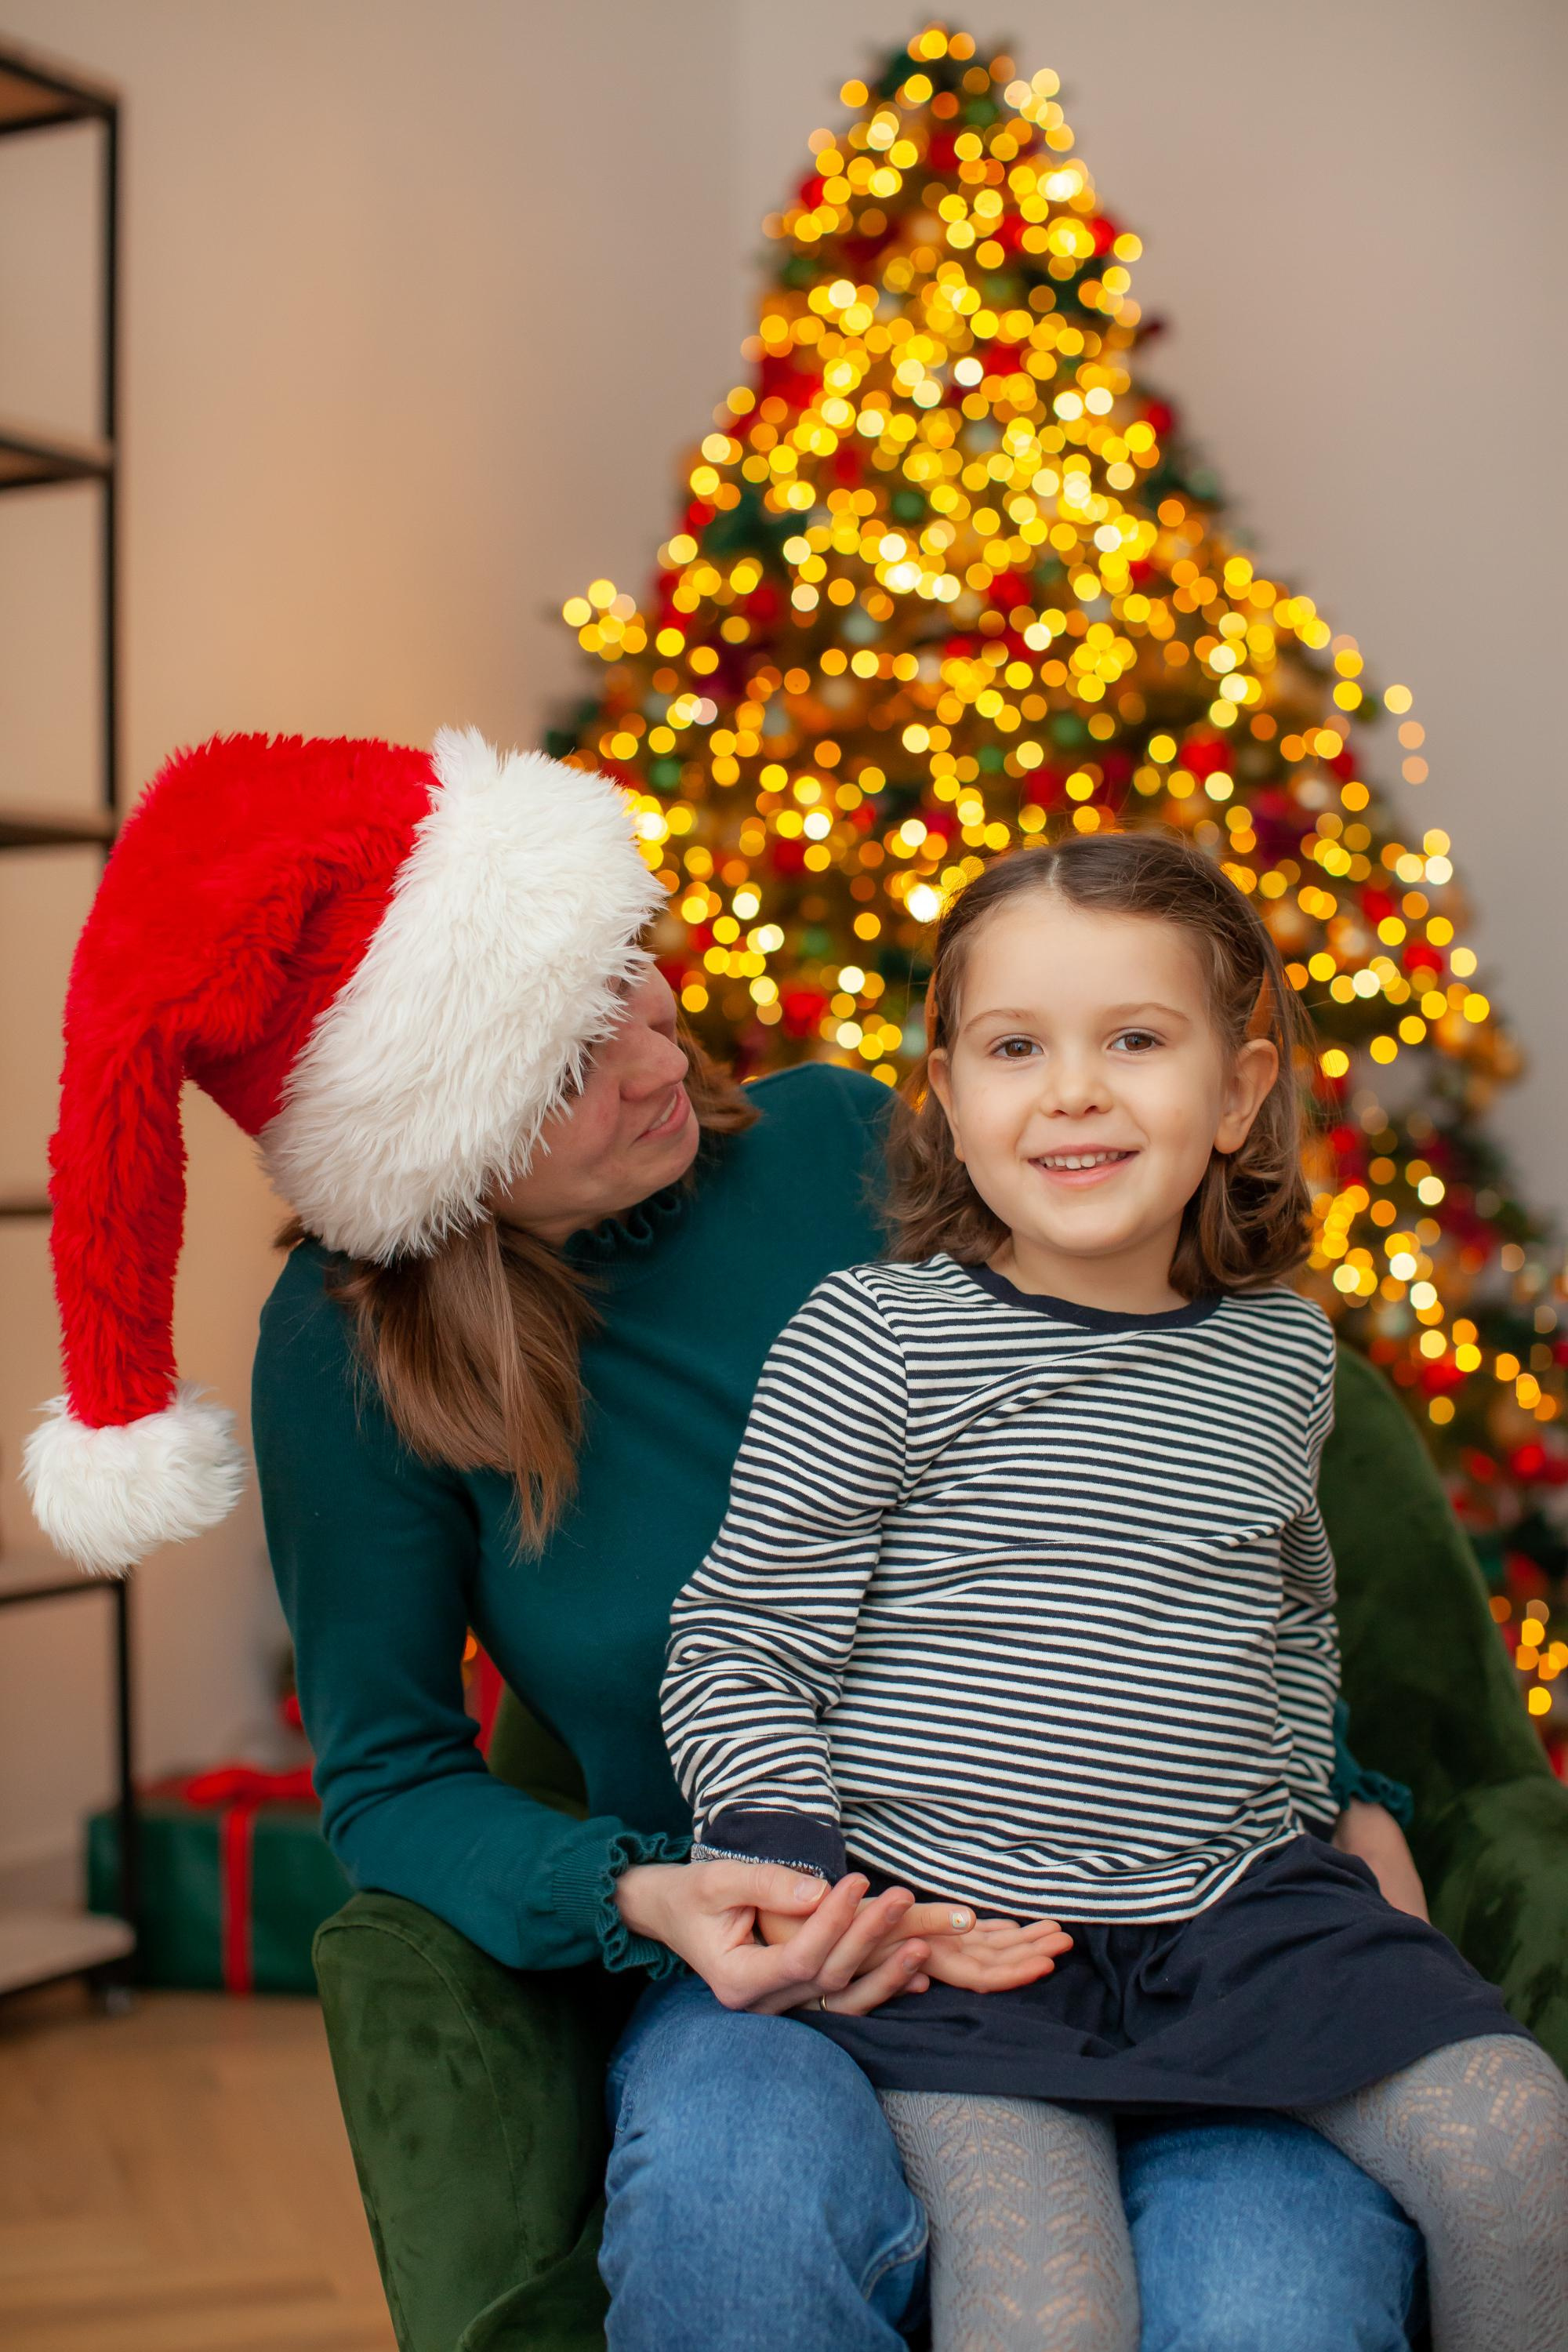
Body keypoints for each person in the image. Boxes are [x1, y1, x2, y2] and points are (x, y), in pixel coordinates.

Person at [29, 731, 1432, 2351]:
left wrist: (1338, 1794)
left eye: (628, 971)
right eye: (562, 1065)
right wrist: (647, 1897)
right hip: (787, 1963)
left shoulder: (847, 1144)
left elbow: (1166, 1461)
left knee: (1278, 2291)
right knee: (731, 2214)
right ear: (431, 1144)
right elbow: (390, 1780)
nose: (654, 1052)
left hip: (1167, 1918)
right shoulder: (354, 1355)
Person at [662, 831, 1568, 2352]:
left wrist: (1313, 1826)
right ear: (950, 1099)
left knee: (1520, 2142)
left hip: (1236, 1914)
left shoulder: (1278, 1358)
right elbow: (741, 1648)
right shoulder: (872, 1339)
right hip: (961, 1944)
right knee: (1049, 2315)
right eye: (1015, 1049)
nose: (1071, 1090)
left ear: (1236, 1092)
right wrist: (814, 1889)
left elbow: (1287, 1621)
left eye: (1133, 1042)